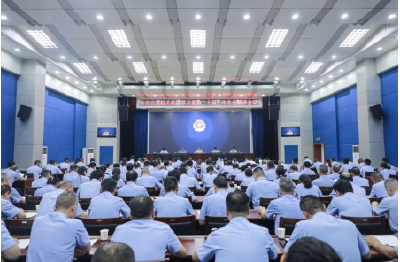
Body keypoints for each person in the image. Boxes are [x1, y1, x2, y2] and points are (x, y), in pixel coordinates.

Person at [193, 190, 277, 262]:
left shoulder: (216, 235)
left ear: (227, 211)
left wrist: (208, 238)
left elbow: (196, 257)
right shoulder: (264, 232)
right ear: (248, 211)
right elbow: (274, 255)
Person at [282, 195, 371, 262]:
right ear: (324, 207)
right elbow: (367, 255)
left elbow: (285, 258)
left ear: (304, 214)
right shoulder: (350, 224)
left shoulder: (302, 226)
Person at [111, 196, 187, 260]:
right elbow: (183, 253)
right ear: (153, 214)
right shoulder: (164, 229)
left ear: (130, 215)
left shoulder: (119, 230)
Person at [27, 191, 91, 261]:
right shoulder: (75, 224)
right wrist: (77, 254)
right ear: (73, 208)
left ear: (54, 208)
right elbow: (87, 248)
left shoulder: (37, 221)